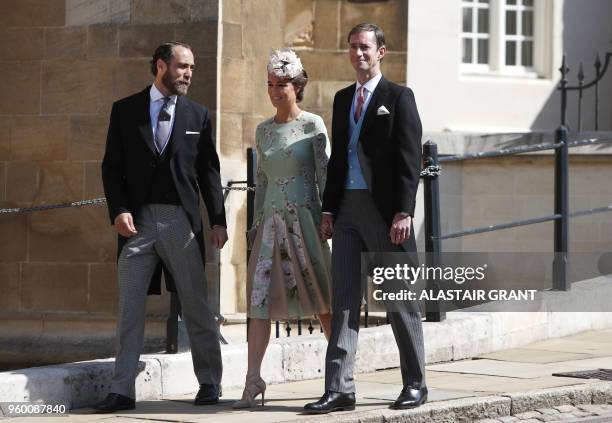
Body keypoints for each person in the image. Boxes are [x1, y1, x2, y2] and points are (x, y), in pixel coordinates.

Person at [98, 41, 228, 413]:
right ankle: (122, 389)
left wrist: (217, 219)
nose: (188, 73)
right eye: (182, 66)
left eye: (191, 67)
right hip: (136, 224)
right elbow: (111, 167)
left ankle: (209, 381)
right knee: (130, 307)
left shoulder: (198, 115)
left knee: (196, 304)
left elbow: (209, 172)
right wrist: (118, 210)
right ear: (160, 66)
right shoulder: (125, 111)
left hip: (180, 222)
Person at [304, 23, 427, 414]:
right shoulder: (343, 100)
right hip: (347, 213)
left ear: (381, 52)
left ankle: (415, 384)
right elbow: (339, 159)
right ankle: (340, 389)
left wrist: (404, 210)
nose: (359, 53)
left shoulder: (399, 97)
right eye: (353, 47)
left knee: (397, 301)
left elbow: (410, 159)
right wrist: (328, 209)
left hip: (385, 213)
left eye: (365, 48)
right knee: (343, 301)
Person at [233, 49, 333, 409]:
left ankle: (340, 376)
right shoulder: (263, 130)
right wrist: (255, 224)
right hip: (270, 224)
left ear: (298, 86)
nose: (275, 91)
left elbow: (326, 175)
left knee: (323, 300)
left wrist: (329, 216)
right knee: (258, 302)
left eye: (283, 85)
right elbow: (260, 180)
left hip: (306, 220)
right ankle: (252, 380)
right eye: (271, 85)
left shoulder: (313, 125)